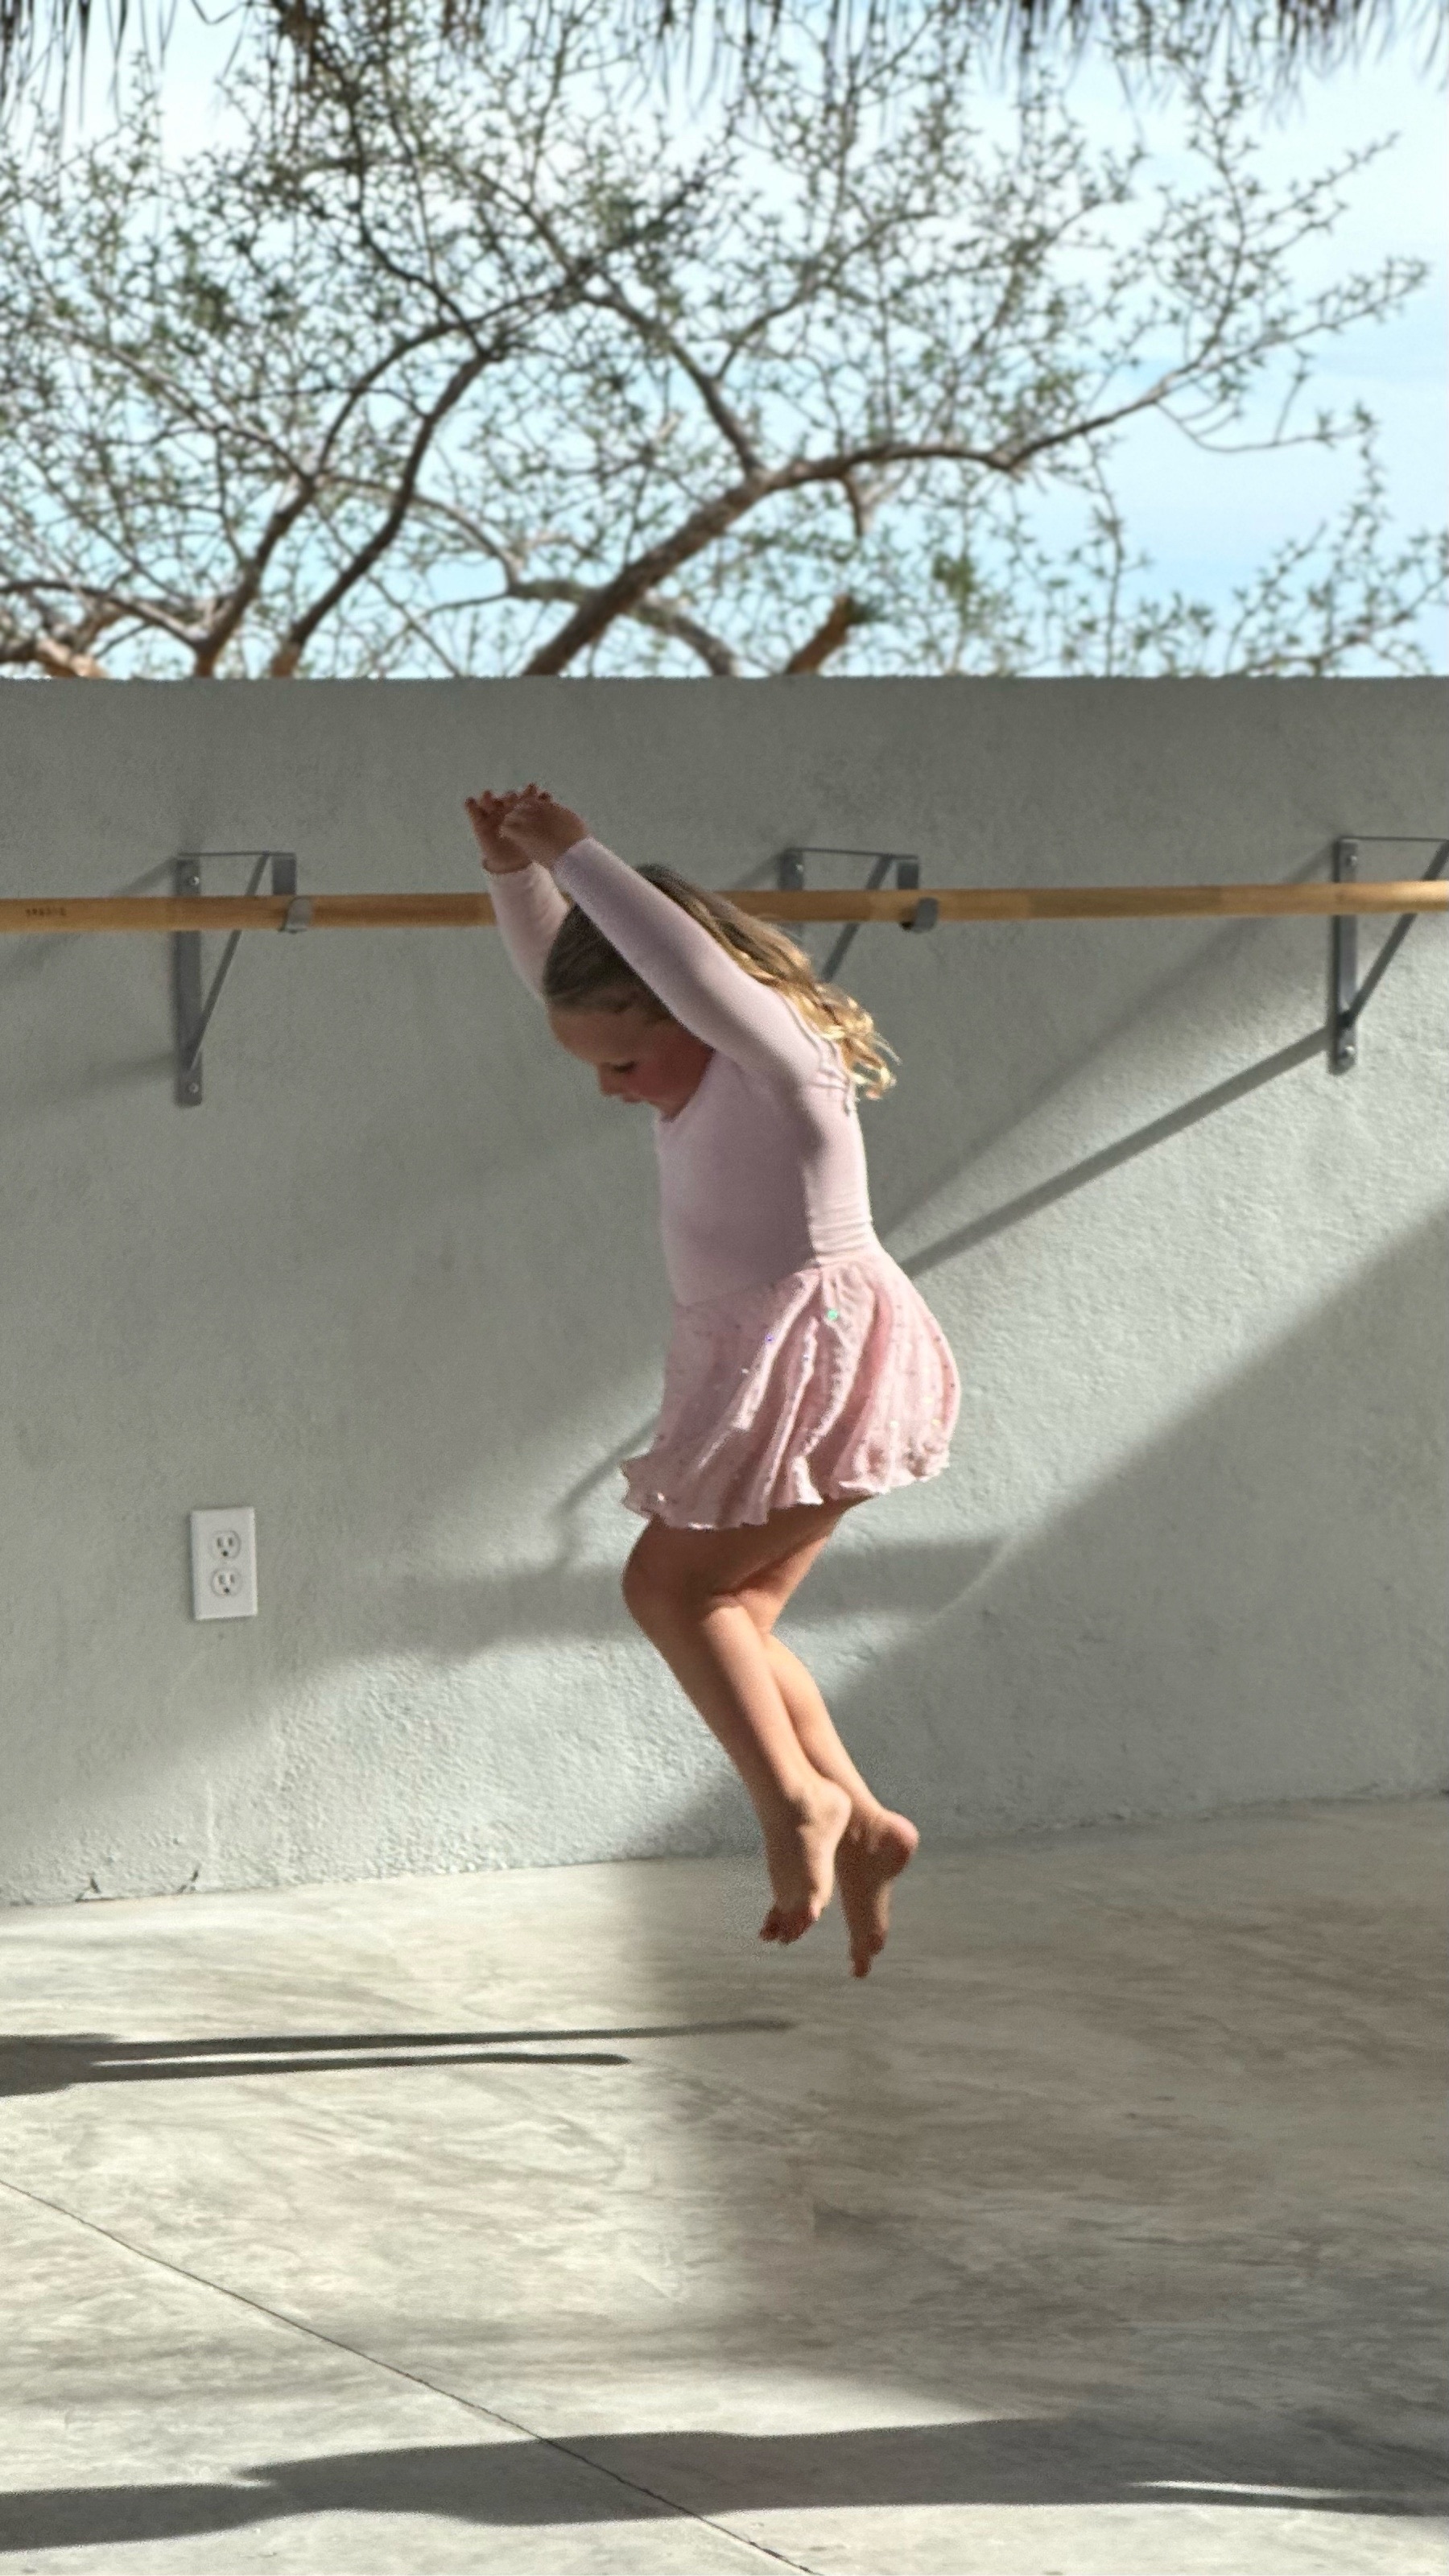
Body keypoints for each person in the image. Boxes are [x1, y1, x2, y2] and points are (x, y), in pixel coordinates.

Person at [464, 784, 960, 1976]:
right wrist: (514, 877)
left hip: (821, 1350)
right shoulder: (691, 1058)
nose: (613, 1088)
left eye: (626, 1060)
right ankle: (864, 1824)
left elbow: (676, 966)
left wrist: (575, 850)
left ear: (689, 1011)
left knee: (667, 1589)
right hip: (778, 1352)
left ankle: (797, 1806)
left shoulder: (774, 1058)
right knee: (730, 1612)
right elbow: (581, 974)